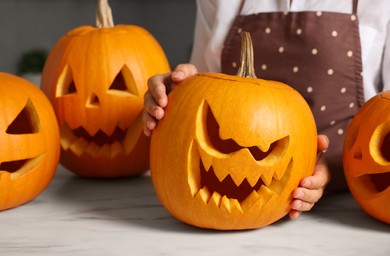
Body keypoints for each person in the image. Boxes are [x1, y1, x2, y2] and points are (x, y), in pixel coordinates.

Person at [143, 0, 390, 219]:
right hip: (231, 208)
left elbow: (385, 117)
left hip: (348, 208)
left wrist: (332, 171)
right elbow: (202, 99)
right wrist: (176, 94)